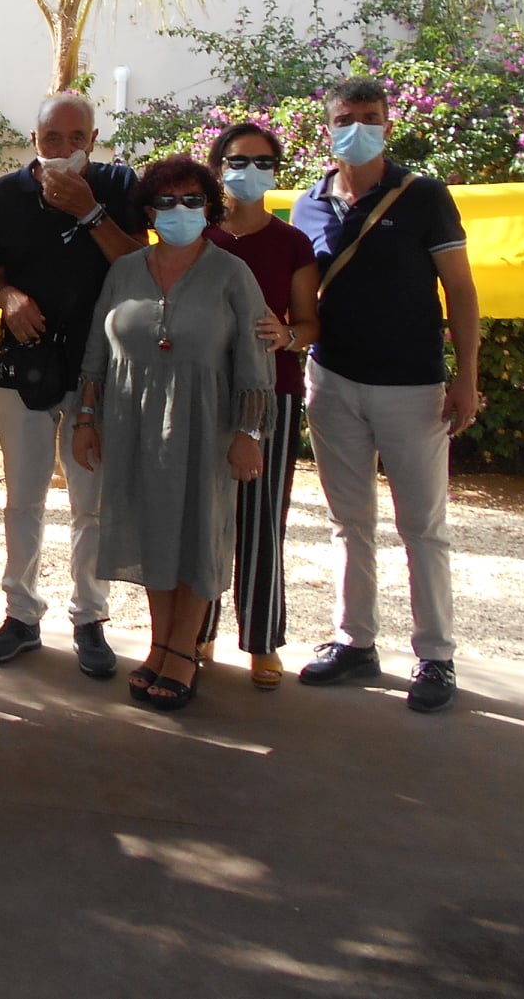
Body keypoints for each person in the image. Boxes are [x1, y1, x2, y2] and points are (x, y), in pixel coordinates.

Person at [291, 76, 480, 714]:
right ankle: (355, 642)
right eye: (346, 118)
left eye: (370, 117)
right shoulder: (309, 204)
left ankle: (436, 655)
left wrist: (466, 376)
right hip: (333, 380)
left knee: (422, 526)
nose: (359, 128)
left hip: (413, 386)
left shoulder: (423, 196)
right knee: (349, 522)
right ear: (328, 129)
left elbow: (460, 290)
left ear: (388, 126)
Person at [72, 156, 276, 712]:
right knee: (152, 531)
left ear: (209, 208)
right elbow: (97, 349)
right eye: (166, 201)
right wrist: (86, 420)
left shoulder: (232, 273)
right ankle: (160, 644)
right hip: (131, 422)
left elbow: (254, 358)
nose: (179, 210)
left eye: (191, 200)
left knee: (197, 533)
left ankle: (184, 651)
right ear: (148, 210)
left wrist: (249, 432)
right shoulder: (124, 270)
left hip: (207, 425)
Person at [0, 92, 144, 675]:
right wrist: (8, 296)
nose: (64, 149)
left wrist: (89, 211)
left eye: (77, 139)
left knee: (90, 504)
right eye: (52, 139)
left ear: (93, 141)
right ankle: (21, 615)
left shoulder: (118, 185)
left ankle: (89, 618)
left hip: (100, 369)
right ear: (35, 140)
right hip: (25, 367)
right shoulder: (7, 194)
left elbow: (139, 267)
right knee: (23, 499)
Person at [201, 121, 320, 689]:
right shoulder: (198, 233)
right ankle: (195, 631)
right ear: (218, 166)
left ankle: (262, 640)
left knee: (262, 518)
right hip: (202, 392)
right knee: (202, 515)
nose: (250, 172)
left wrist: (288, 335)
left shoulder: (292, 242)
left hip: (273, 393)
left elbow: (310, 323)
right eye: (238, 160)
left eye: (263, 162)